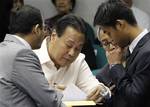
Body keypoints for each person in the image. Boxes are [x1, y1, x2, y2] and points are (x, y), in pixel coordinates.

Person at [34, 14, 111, 102]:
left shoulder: (78, 61)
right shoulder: (31, 59)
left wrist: (101, 91)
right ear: (54, 36)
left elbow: (95, 88)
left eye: (78, 48)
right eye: (68, 45)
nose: (72, 53)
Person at [0, 5, 64, 107]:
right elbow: (49, 101)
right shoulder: (22, 54)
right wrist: (61, 94)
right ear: (37, 29)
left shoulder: (3, 48)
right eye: (44, 28)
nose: (45, 34)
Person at [94, 1, 150, 107]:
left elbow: (135, 99)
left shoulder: (147, 52)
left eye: (109, 33)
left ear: (119, 25)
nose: (112, 41)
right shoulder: (135, 50)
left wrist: (115, 66)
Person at [45, 0, 97, 70]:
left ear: (71, 2)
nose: (61, 1)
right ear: (53, 36)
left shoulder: (82, 27)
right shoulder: (47, 25)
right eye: (68, 45)